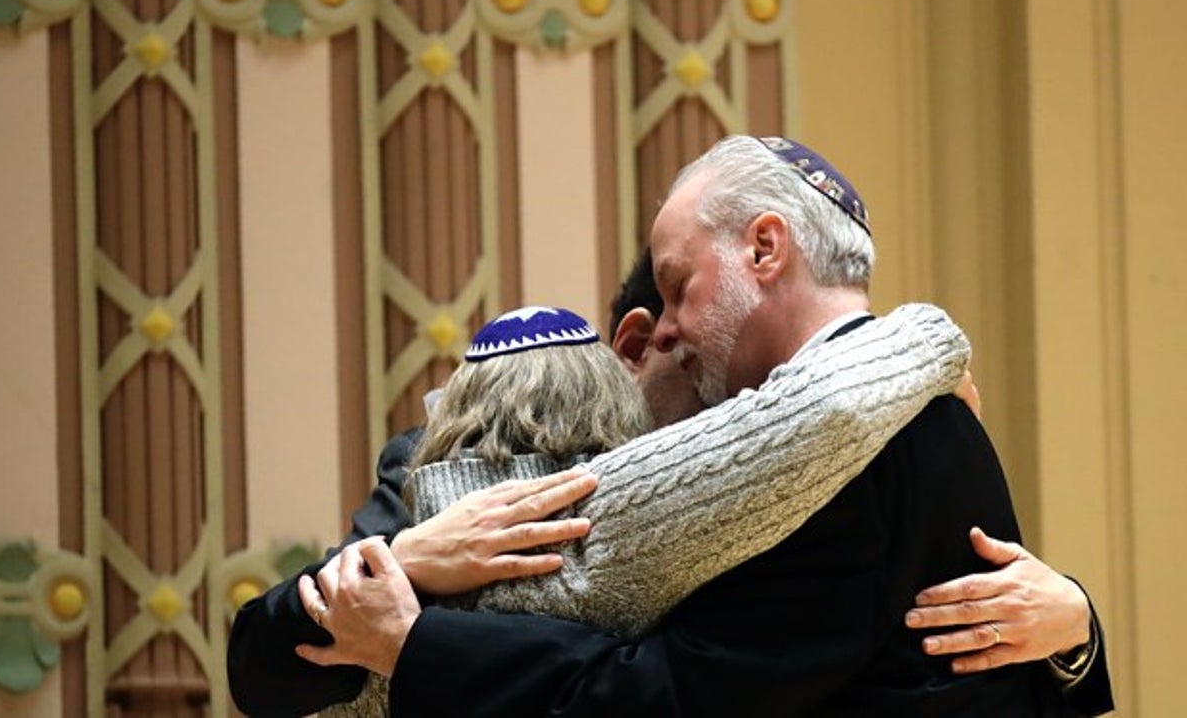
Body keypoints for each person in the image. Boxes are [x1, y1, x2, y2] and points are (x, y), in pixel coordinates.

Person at [270, 136, 1113, 716]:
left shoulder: (845, 444)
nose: (663, 329)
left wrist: (414, 646)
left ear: (765, 249)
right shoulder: (935, 412)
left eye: (678, 287)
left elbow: (667, 695)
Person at [308, 301, 968, 716]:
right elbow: (803, 424)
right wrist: (931, 339)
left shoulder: (377, 583)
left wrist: (399, 567)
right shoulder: (610, 504)